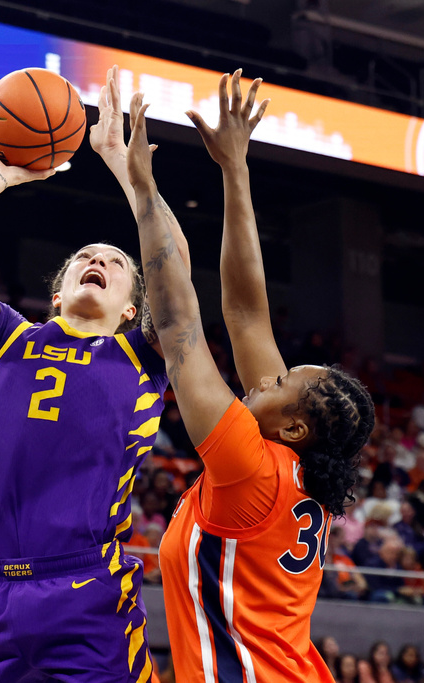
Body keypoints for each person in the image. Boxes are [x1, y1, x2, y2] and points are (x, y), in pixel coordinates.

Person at [0, 66, 178, 683]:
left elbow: (173, 267)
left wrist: (124, 169)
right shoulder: (7, 340)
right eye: (84, 258)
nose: (98, 260)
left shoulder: (144, 356)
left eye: (115, 263)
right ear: (57, 293)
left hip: (86, 589)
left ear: (132, 309)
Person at [149, 73, 373, 681]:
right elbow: (246, 312)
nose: (261, 381)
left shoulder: (252, 467)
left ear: (295, 425)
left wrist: (143, 192)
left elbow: (178, 330)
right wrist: (235, 168)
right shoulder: (294, 474)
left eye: (277, 384)